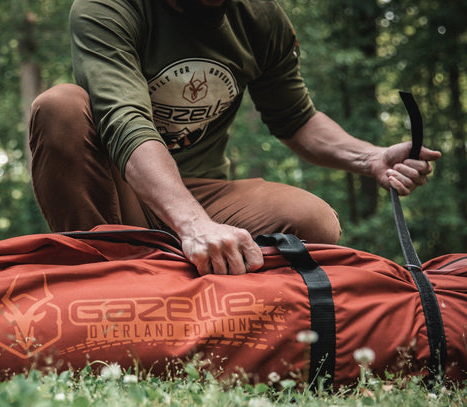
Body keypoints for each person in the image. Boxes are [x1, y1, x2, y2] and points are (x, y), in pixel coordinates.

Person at [29, 0, 440, 276]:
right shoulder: (107, 8)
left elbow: (296, 118)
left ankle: (204, 284)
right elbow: (125, 120)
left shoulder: (260, 17)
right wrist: (192, 224)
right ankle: (102, 276)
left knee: (314, 221)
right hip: (119, 191)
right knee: (60, 107)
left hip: (204, 189)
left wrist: (369, 158)